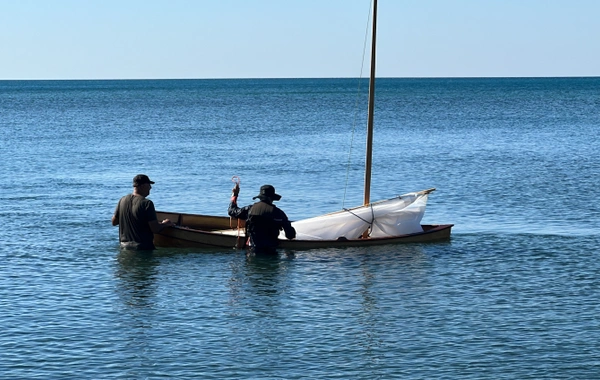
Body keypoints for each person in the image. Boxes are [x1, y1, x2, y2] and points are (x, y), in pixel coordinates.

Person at [228, 184, 296, 254]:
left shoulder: (250, 210)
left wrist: (235, 194)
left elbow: (232, 211)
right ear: (272, 198)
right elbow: (290, 235)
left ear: (260, 198)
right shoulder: (279, 213)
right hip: (271, 253)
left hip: (253, 251)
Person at [112, 174, 173, 250]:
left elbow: (114, 222)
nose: (150, 187)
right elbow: (155, 229)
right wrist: (165, 223)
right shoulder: (147, 203)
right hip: (142, 248)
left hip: (124, 247)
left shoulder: (122, 200)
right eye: (149, 185)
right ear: (142, 186)